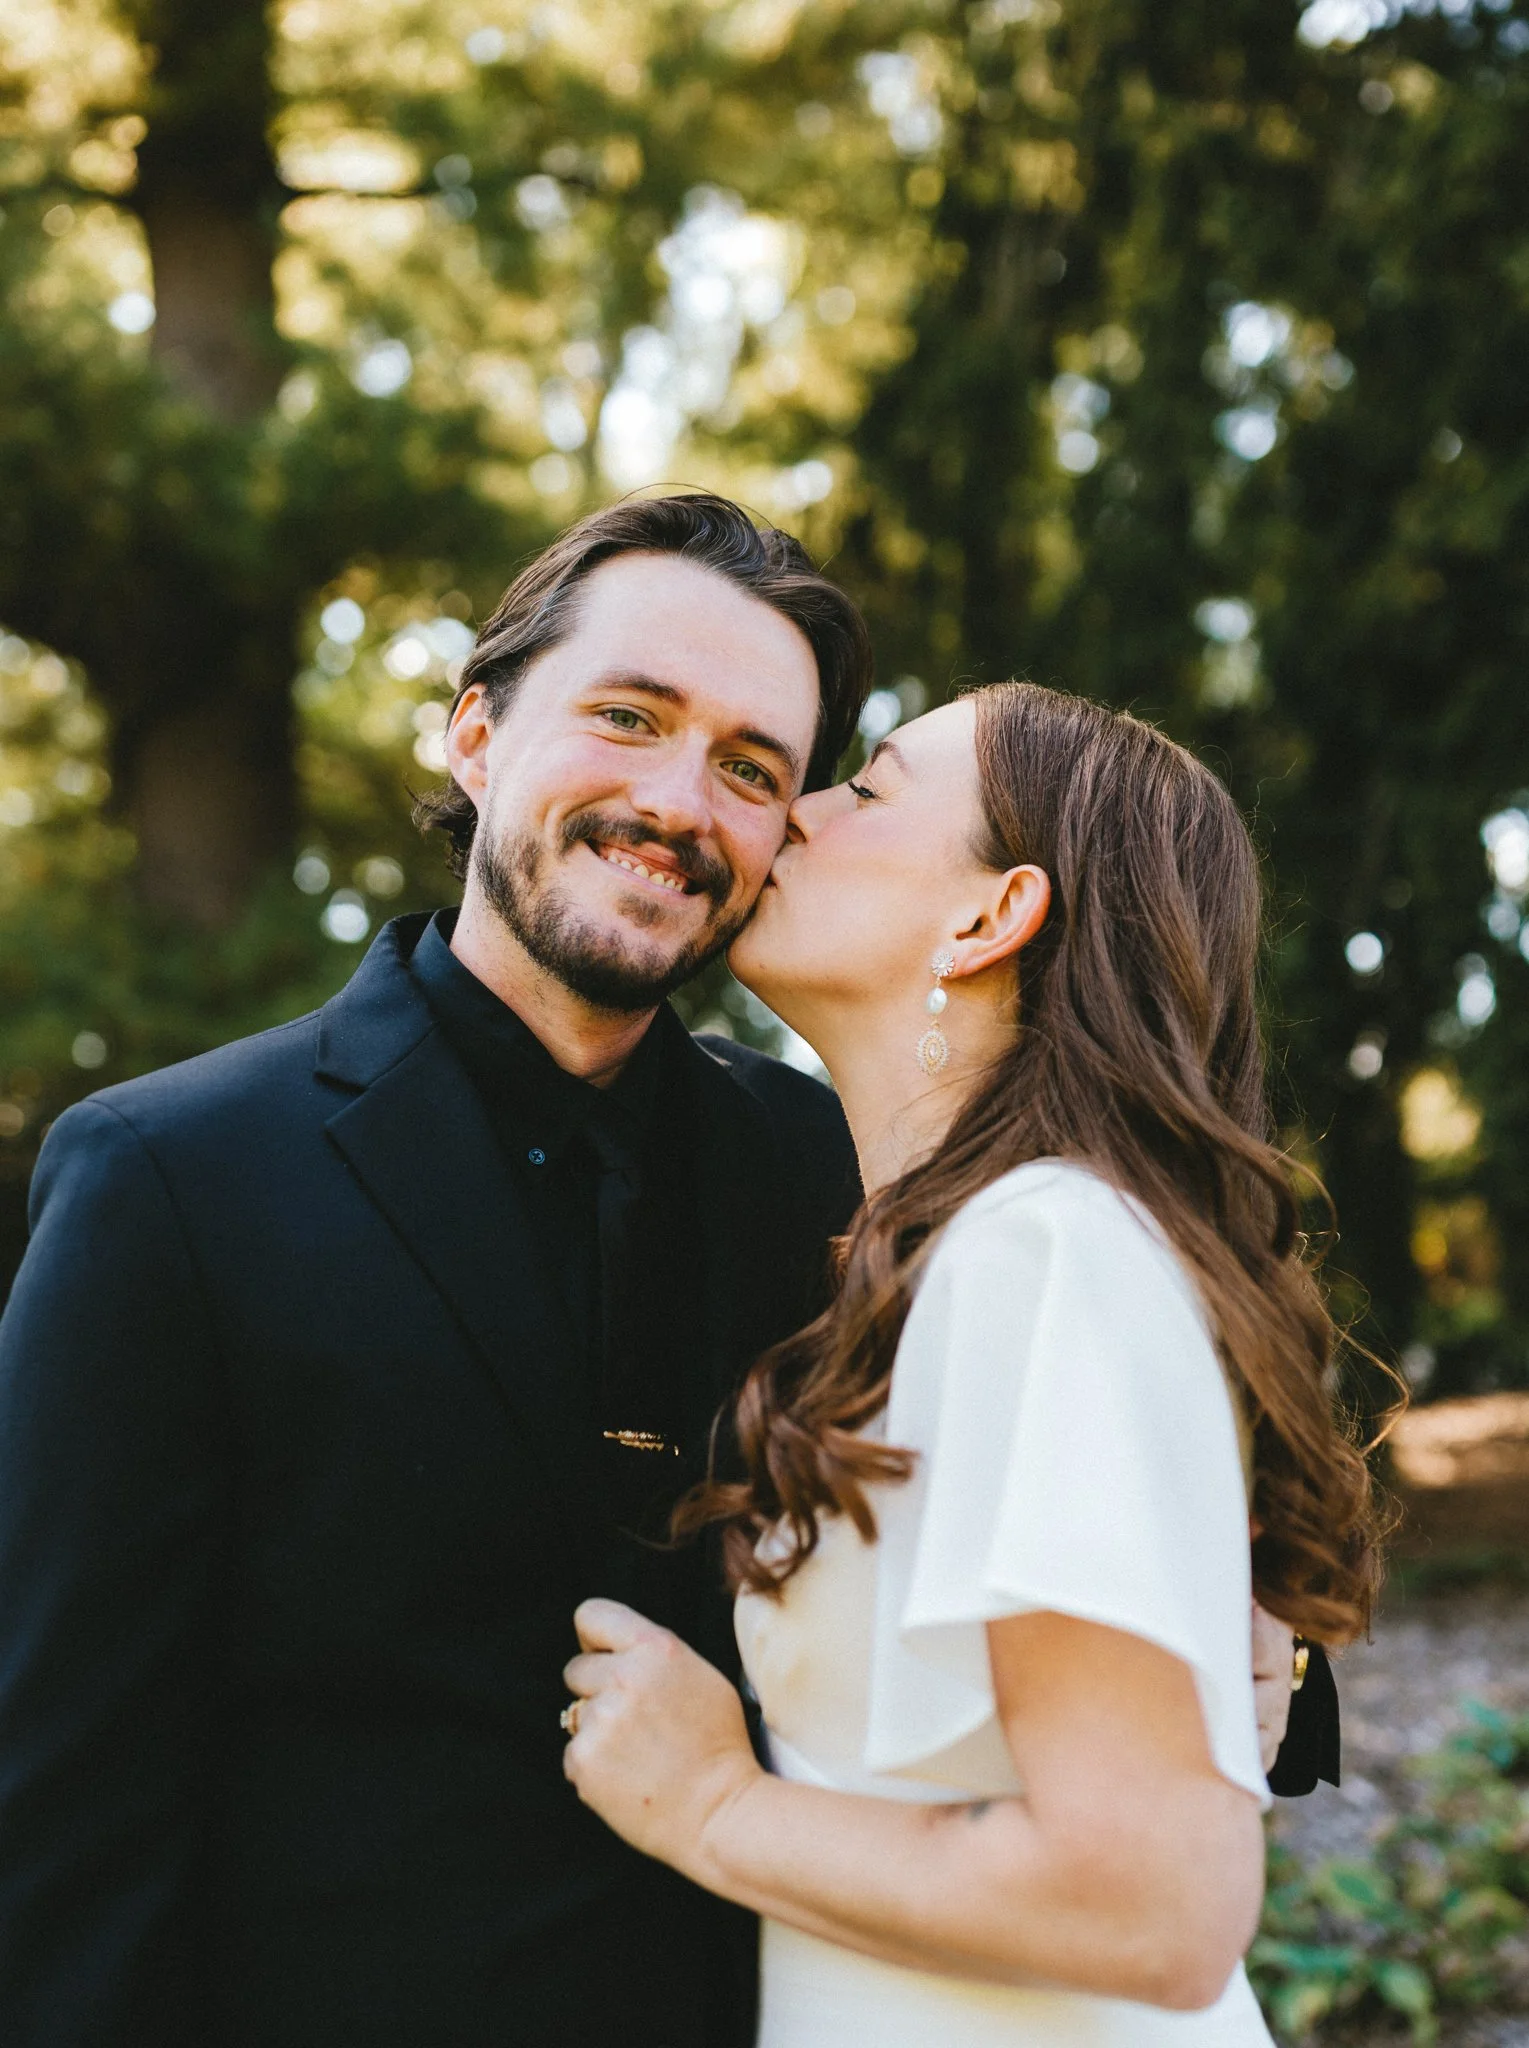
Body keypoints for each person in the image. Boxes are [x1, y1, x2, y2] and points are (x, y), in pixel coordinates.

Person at [0, 495, 870, 2048]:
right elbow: (62, 1814)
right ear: (474, 739)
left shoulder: (827, 1167)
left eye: (752, 768)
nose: (680, 801)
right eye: (628, 715)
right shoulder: (166, 1179)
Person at [560, 682, 1383, 2045]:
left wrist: (712, 1803)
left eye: (865, 790)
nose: (794, 814)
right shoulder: (953, 1260)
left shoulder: (1044, 1249)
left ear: (992, 914)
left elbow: (1158, 1908)